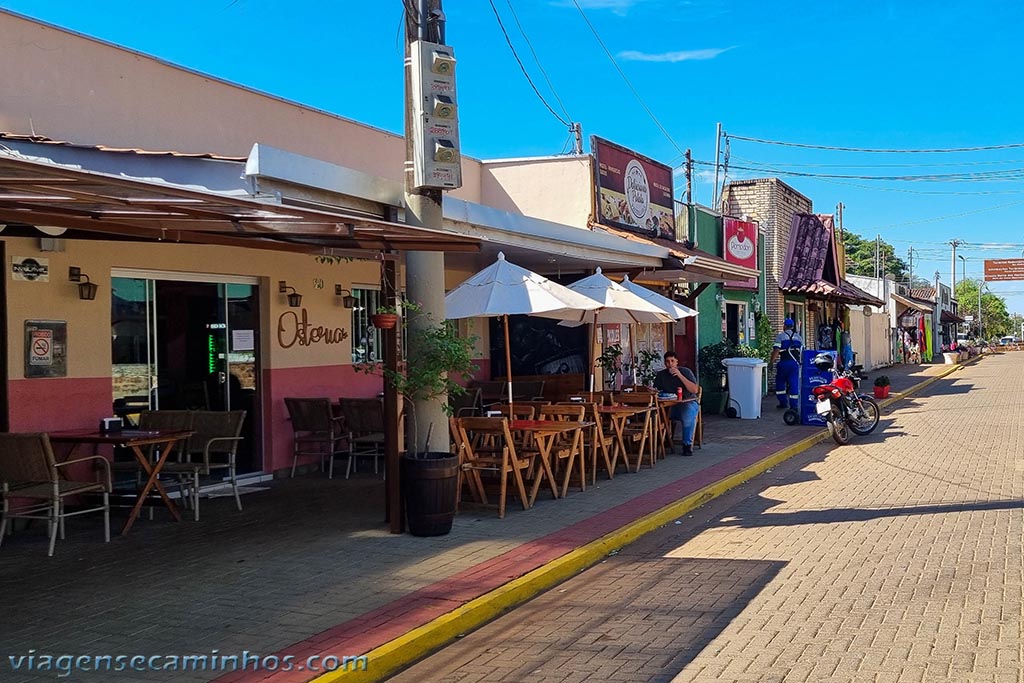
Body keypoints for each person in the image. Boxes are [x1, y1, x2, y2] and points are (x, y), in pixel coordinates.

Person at [653, 351, 700, 456]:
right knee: (653, 414)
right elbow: (657, 391)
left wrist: (679, 375)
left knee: (687, 413)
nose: (670, 364)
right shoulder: (661, 375)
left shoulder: (686, 372)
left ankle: (687, 445)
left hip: (687, 402)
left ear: (677, 362)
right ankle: (658, 443)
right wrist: (653, 390)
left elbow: (694, 390)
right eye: (667, 362)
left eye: (672, 361)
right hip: (669, 406)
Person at [771, 318, 803, 410]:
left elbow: (776, 350)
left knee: (780, 383)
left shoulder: (780, 337)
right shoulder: (799, 337)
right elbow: (802, 351)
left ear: (784, 326)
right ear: (792, 327)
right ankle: (794, 405)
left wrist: (771, 362)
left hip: (784, 363)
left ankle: (783, 403)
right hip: (795, 364)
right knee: (794, 384)